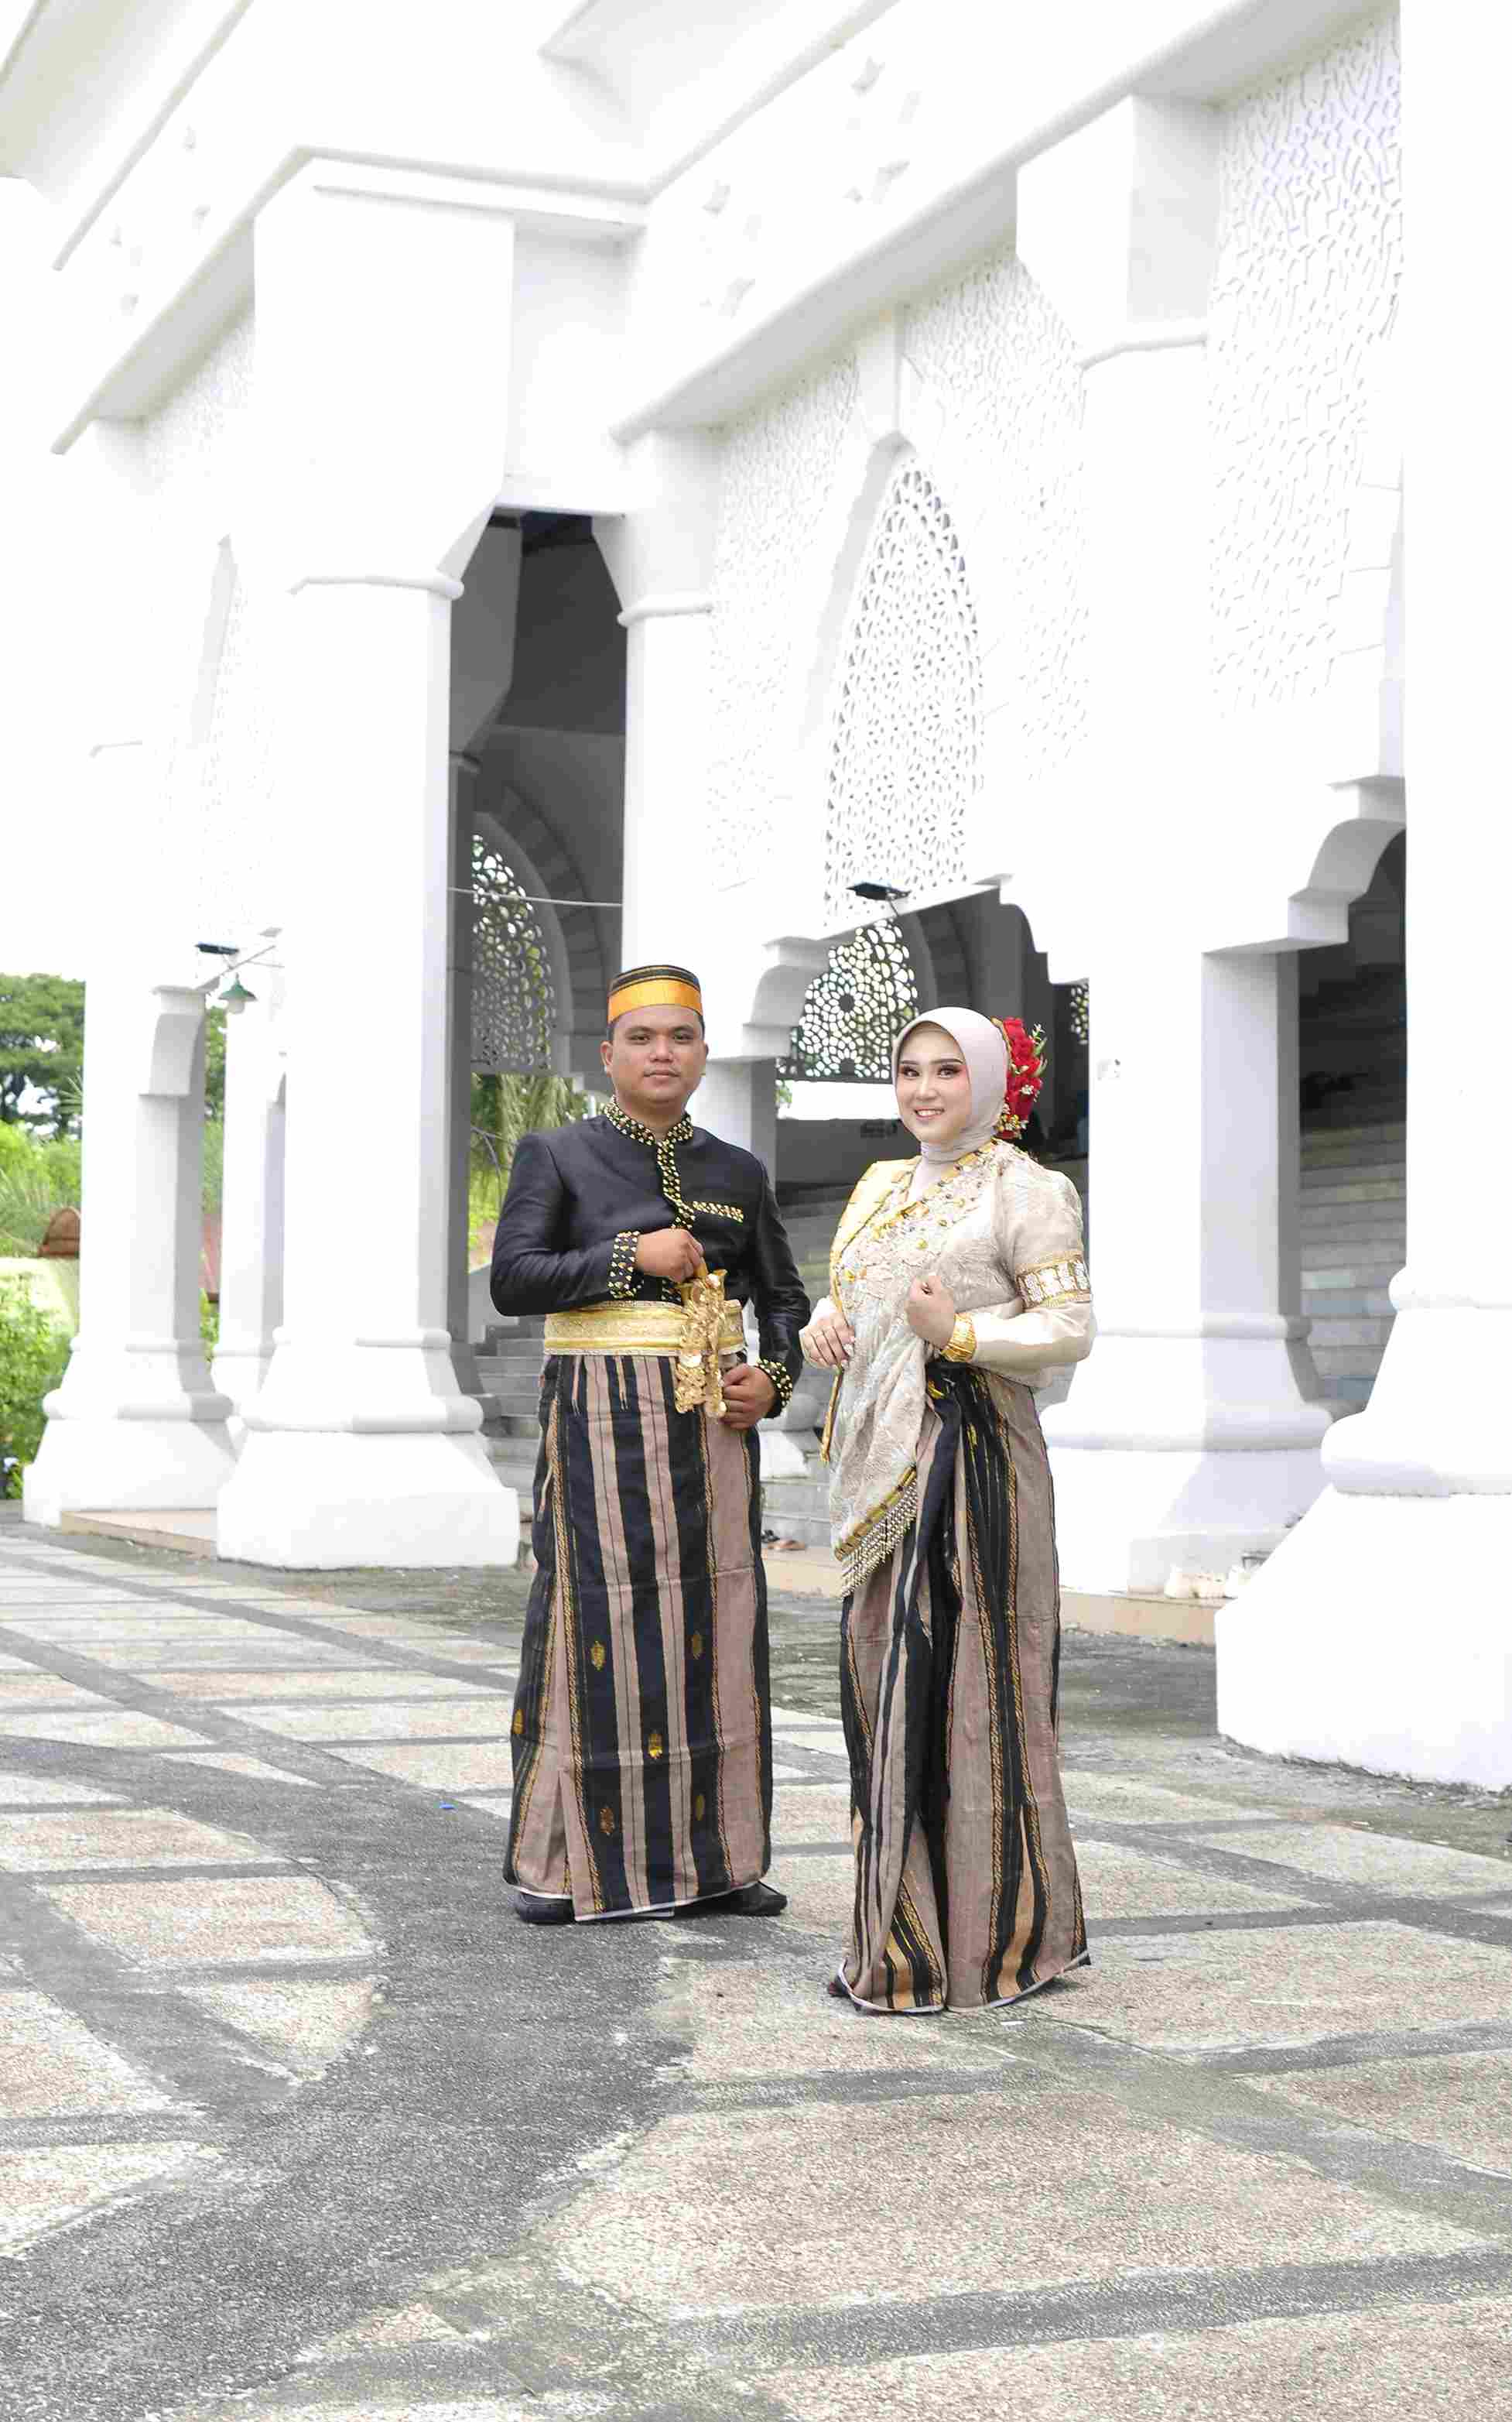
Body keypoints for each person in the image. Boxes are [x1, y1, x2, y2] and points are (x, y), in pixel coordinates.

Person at [491, 964, 809, 1925]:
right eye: (641, 1038)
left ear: (704, 1052)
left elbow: (783, 1296)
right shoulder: (558, 1153)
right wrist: (630, 1257)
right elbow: (514, 1278)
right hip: (598, 1419)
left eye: (680, 1037)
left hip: (712, 1428)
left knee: (719, 1619)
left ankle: (722, 1861)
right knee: (593, 1618)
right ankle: (565, 1865)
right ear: (609, 1055)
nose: (661, 1053)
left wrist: (775, 1376)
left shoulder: (737, 1171)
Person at [799, 1007, 1093, 2013]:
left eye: (946, 1071)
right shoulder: (880, 1184)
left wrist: (958, 1332)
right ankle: (899, 1940)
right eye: (909, 1070)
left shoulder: (1027, 1188)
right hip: (878, 1465)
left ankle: (998, 1939)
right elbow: (856, 1296)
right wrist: (825, 1322)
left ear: (990, 1082)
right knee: (882, 1679)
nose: (923, 1090)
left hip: (972, 1456)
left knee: (972, 1680)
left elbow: (1069, 1325)